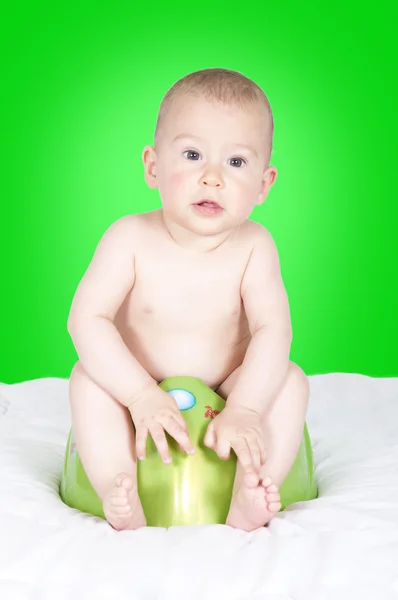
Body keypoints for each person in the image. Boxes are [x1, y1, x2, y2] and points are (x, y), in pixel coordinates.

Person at [67, 68, 310, 533]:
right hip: (137, 390)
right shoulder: (128, 238)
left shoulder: (255, 246)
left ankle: (252, 489)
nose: (212, 178)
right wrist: (139, 395)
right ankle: (119, 486)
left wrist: (247, 408)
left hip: (227, 391)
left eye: (236, 163)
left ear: (264, 183)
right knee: (85, 382)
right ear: (154, 164)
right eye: (193, 155)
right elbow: (87, 319)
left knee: (293, 381)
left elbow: (272, 329)